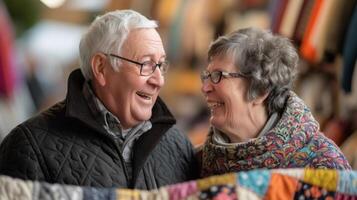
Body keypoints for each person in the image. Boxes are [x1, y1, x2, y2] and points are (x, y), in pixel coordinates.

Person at [0, 10, 199, 189]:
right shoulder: (28, 146)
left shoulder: (177, 144)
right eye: (146, 64)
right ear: (101, 68)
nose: (159, 80)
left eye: (161, 65)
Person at [199, 27, 351, 177]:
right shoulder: (199, 162)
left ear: (260, 89)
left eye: (218, 75)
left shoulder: (324, 167)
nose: (204, 87)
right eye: (206, 76)